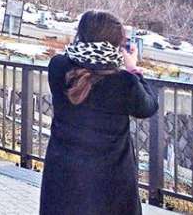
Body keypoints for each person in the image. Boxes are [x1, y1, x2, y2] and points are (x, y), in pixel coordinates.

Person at [39, 11, 158, 215]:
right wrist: (133, 69)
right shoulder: (124, 82)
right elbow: (148, 106)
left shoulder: (58, 67)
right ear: (116, 43)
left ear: (81, 34)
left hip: (63, 178)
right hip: (110, 184)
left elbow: (79, 66)